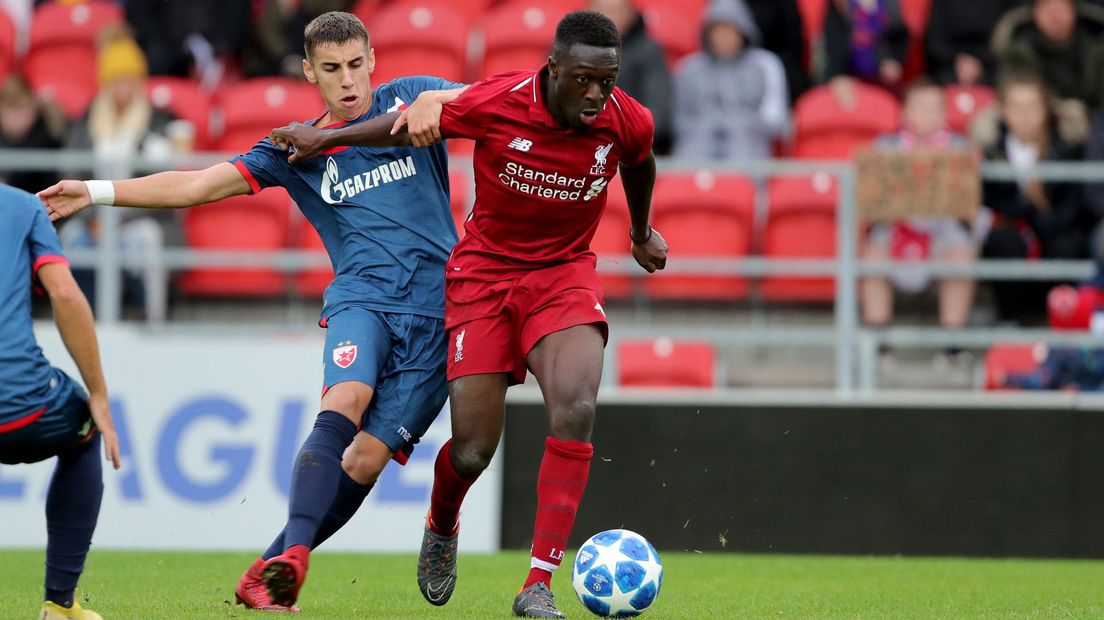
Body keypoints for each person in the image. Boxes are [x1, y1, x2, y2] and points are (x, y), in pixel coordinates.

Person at [38, 11, 465, 612]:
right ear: (308, 73)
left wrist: (451, 99)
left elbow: (492, 103)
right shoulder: (296, 146)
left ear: (372, 60)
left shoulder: (412, 99)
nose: (347, 82)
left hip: (440, 315)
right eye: (331, 70)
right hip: (362, 301)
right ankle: (295, 556)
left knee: (366, 461)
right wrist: (99, 190)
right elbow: (199, 185)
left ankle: (265, 569)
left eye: (355, 65)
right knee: (344, 399)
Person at [271, 10, 669, 618]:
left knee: (577, 404)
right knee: (473, 450)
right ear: (553, 69)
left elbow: (640, 161)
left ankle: (538, 582)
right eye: (583, 79)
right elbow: (404, 128)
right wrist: (324, 138)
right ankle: (443, 518)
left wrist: (640, 231)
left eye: (607, 80)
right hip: (483, 279)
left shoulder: (624, 118)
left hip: (563, 274)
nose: (596, 94)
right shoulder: (500, 101)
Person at [0, 183, 122, 620]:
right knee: (83, 431)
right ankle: (59, 603)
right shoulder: (20, 206)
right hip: (19, 405)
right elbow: (66, 294)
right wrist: (100, 395)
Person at [861, 77, 976, 364]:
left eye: (936, 107)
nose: (928, 114)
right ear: (905, 112)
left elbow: (967, 205)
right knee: (872, 256)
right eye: (920, 107)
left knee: (962, 254)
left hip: (944, 232)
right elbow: (871, 200)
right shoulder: (884, 147)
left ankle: (953, 344)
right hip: (894, 231)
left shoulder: (961, 149)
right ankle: (879, 343)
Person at [980, 70, 1088, 325]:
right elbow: (988, 199)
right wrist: (1027, 209)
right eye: (1017, 107)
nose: (1025, 115)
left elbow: (1074, 204)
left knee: (1067, 246)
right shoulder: (991, 149)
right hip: (1010, 244)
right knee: (1003, 241)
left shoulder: (1066, 147)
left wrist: (1037, 219)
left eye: (1032, 106)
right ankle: (1008, 319)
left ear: (1046, 110)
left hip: (1052, 237)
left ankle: (1061, 319)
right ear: (1003, 112)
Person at [671, 0, 789, 161]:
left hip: (749, 149)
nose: (723, 37)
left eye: (730, 29)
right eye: (718, 30)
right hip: (697, 149)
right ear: (708, 33)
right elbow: (678, 120)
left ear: (743, 30)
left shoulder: (765, 65)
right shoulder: (689, 69)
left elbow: (776, 120)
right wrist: (709, 125)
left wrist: (738, 124)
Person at [588, 0, 673, 153]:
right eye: (603, 10)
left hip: (631, 148)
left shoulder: (649, 52)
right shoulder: (567, 49)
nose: (609, 18)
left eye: (617, 11)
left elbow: (657, 112)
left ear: (630, 14)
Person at [823, 0, 910, 106]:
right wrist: (838, 75)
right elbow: (833, 43)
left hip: (883, 79)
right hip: (849, 78)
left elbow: (901, 36)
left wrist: (894, 59)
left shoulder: (890, 4)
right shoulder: (839, 4)